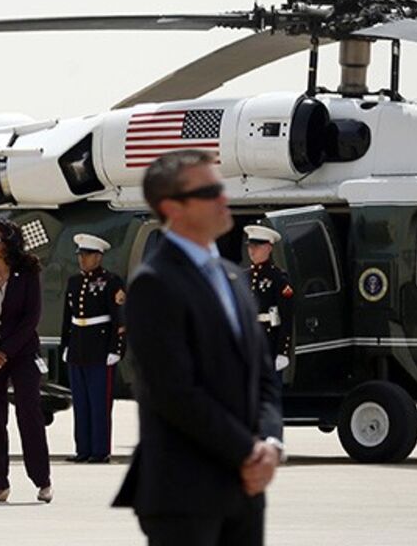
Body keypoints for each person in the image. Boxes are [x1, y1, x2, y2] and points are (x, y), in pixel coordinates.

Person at [113, 149, 284, 546]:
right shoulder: (154, 283)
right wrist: (248, 451)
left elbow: (262, 377)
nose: (224, 198)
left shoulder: (233, 277)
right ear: (172, 207)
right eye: (209, 192)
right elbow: (174, 392)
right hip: (185, 493)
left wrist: (271, 443)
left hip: (244, 490)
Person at [0, 217, 53, 503]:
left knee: (29, 415)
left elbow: (31, 318)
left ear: (7, 244)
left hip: (22, 354)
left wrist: (5, 352)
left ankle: (42, 480)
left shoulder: (27, 275)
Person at [60, 233, 126, 464]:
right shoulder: (74, 282)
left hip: (100, 349)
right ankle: (83, 449)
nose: (82, 259)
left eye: (87, 255)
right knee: (81, 402)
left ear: (98, 257)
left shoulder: (111, 282)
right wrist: (66, 345)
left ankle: (99, 450)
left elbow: (119, 318)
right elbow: (68, 318)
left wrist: (116, 349)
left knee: (99, 404)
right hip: (78, 347)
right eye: (80, 255)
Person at [244, 225, 294, 373]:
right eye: (250, 246)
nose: (252, 251)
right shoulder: (243, 277)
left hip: (269, 342)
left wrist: (282, 351)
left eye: (257, 247)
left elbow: (287, 317)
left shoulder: (278, 278)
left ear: (268, 248)